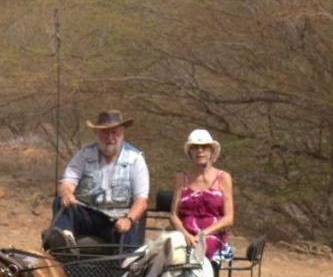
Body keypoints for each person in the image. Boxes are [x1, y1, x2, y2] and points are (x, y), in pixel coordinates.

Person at [43, 109, 150, 250]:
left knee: (129, 239)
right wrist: (67, 193)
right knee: (59, 202)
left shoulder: (135, 159)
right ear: (97, 133)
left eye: (115, 132)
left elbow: (141, 201)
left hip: (116, 219)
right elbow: (67, 181)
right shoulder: (84, 155)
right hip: (87, 214)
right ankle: (64, 243)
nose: (110, 137)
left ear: (122, 133)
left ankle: (126, 266)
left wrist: (128, 220)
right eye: (105, 132)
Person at [170, 129, 234, 265]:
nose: (200, 151)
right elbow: (174, 216)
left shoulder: (223, 178)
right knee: (167, 254)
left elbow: (229, 218)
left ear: (211, 151)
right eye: (195, 147)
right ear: (190, 152)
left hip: (212, 235)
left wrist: (203, 234)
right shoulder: (181, 178)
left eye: (204, 147)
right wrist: (186, 235)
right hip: (185, 235)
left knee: (204, 250)